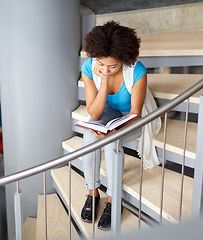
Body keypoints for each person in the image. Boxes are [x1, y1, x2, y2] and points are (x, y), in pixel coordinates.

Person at [80, 21, 147, 230]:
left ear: (123, 61)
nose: (105, 69)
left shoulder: (137, 70)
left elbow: (136, 113)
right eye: (101, 63)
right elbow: (95, 112)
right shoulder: (89, 68)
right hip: (108, 113)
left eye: (112, 66)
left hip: (130, 118)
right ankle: (93, 192)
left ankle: (113, 200)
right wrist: (106, 81)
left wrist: (115, 130)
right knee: (90, 136)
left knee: (111, 142)